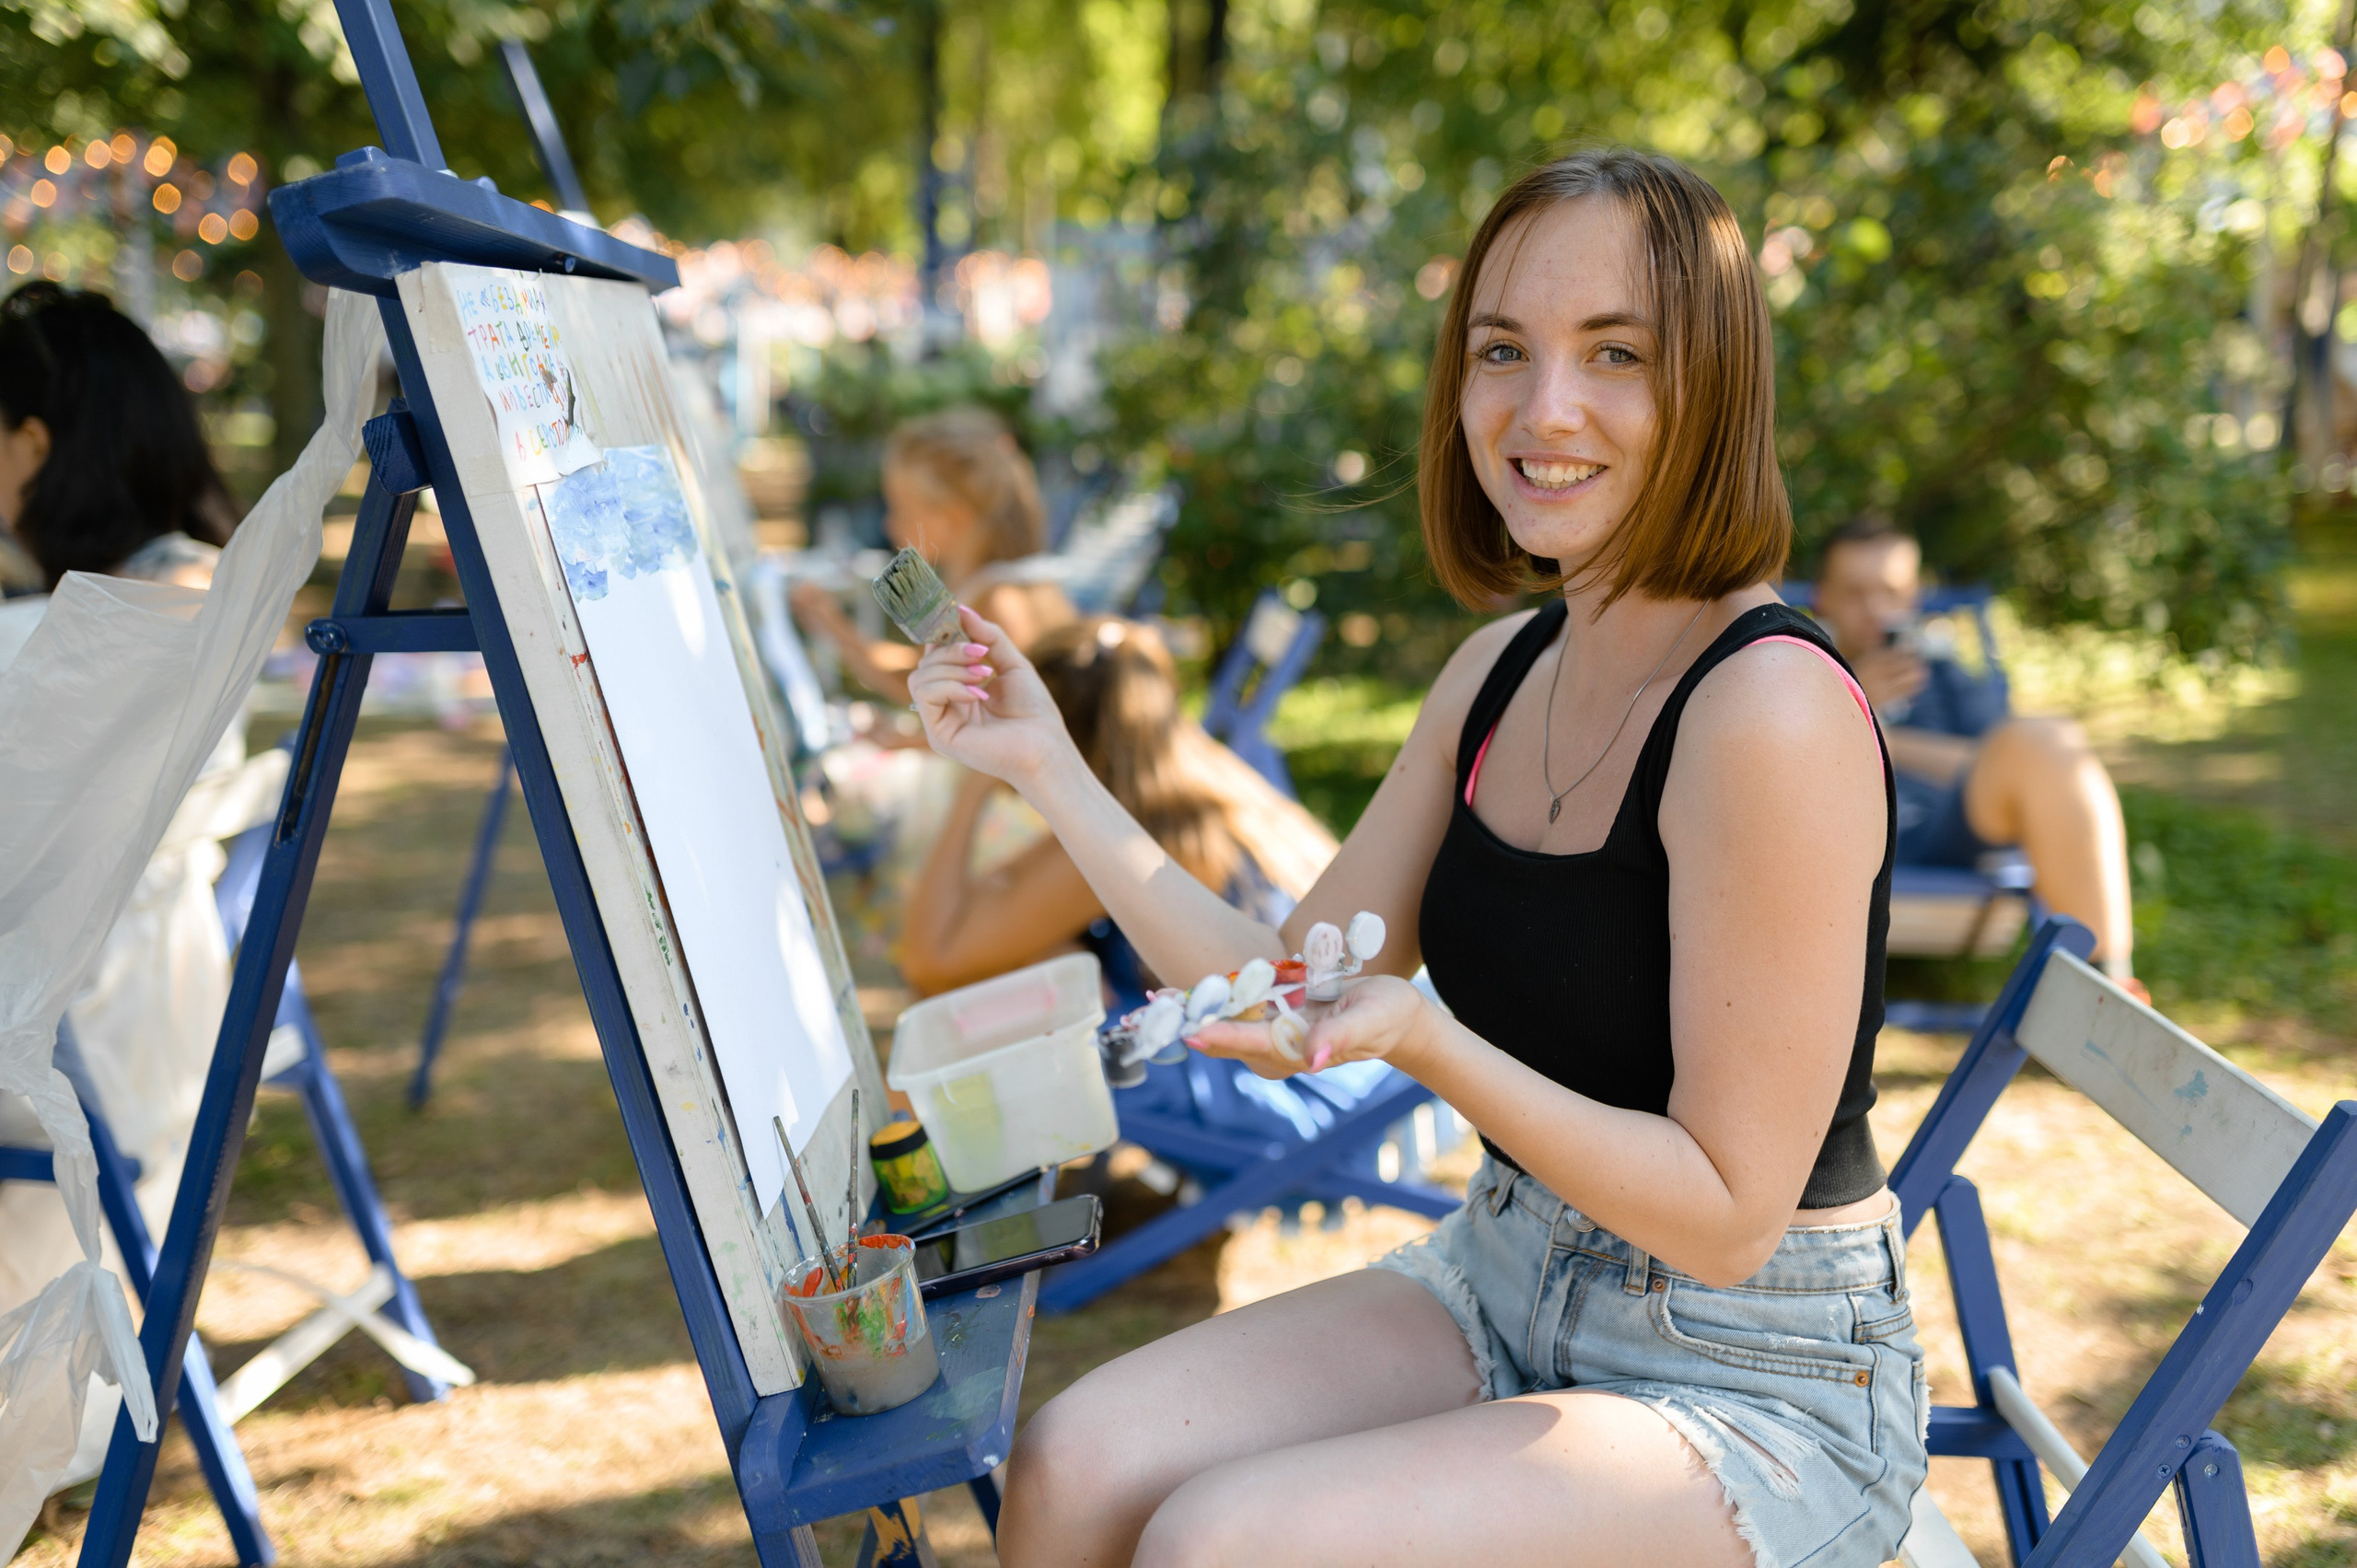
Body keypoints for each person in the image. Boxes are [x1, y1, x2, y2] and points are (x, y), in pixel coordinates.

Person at [909, 148, 1925, 1568]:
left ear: (1711, 385)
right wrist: (1047, 766)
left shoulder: (1770, 711)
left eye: (1614, 352)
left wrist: (1429, 1041)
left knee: (1223, 1540)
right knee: (1073, 1459)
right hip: (1506, 1268)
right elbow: (1272, 992)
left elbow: (1728, 1215)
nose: (1542, 406)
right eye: (1502, 348)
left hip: (1756, 1381)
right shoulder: (1501, 668)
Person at [898, 615, 1336, 997]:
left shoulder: (1135, 832)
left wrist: (972, 789)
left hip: (1267, 1063)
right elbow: (1005, 887)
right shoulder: (1193, 771)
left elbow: (931, 960)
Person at [1812, 515, 2138, 987]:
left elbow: (2000, 763)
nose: (1875, 610)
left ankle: (2106, 992)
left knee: (2046, 741)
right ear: (1823, 597)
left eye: (1889, 593)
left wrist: (1883, 737)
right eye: (1855, 593)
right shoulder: (1800, 668)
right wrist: (1851, 701)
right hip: (1841, 844)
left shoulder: (1943, 675)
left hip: (1947, 833)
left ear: (1913, 599)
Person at [791, 405, 1073, 706]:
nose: (889, 524)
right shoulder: (993, 585)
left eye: (901, 508)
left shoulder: (1002, 603)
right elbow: (927, 671)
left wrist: (836, 630)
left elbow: (992, 713)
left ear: (954, 519)